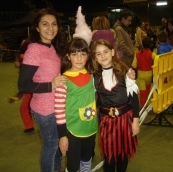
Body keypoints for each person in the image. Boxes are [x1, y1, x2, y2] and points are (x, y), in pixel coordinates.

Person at [18, 8, 67, 172]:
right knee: (51, 146)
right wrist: (50, 85)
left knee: (57, 144)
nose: (50, 28)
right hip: (45, 111)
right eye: (45, 24)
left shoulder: (51, 46)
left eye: (54, 24)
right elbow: (23, 85)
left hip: (57, 107)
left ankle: (57, 168)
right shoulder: (34, 50)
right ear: (37, 28)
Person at [55, 7, 98, 172]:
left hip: (90, 128)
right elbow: (59, 110)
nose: (79, 58)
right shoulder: (63, 80)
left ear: (88, 55)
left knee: (87, 161)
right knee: (73, 166)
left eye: (83, 54)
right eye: (74, 54)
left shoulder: (92, 75)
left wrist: (129, 76)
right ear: (68, 56)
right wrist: (62, 135)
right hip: (72, 131)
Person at [91, 39, 140, 172]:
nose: (103, 56)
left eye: (105, 51)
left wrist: (136, 120)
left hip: (125, 119)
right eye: (98, 54)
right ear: (95, 57)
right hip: (107, 121)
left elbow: (134, 98)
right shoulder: (94, 76)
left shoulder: (125, 71)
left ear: (112, 52)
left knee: (122, 155)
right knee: (109, 157)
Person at [132, 37, 153, 107]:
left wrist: (138, 67)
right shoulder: (152, 54)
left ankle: (143, 105)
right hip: (149, 74)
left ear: (142, 44)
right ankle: (146, 102)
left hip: (140, 74)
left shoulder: (137, 53)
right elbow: (157, 61)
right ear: (150, 45)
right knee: (147, 89)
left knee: (142, 91)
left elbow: (134, 65)